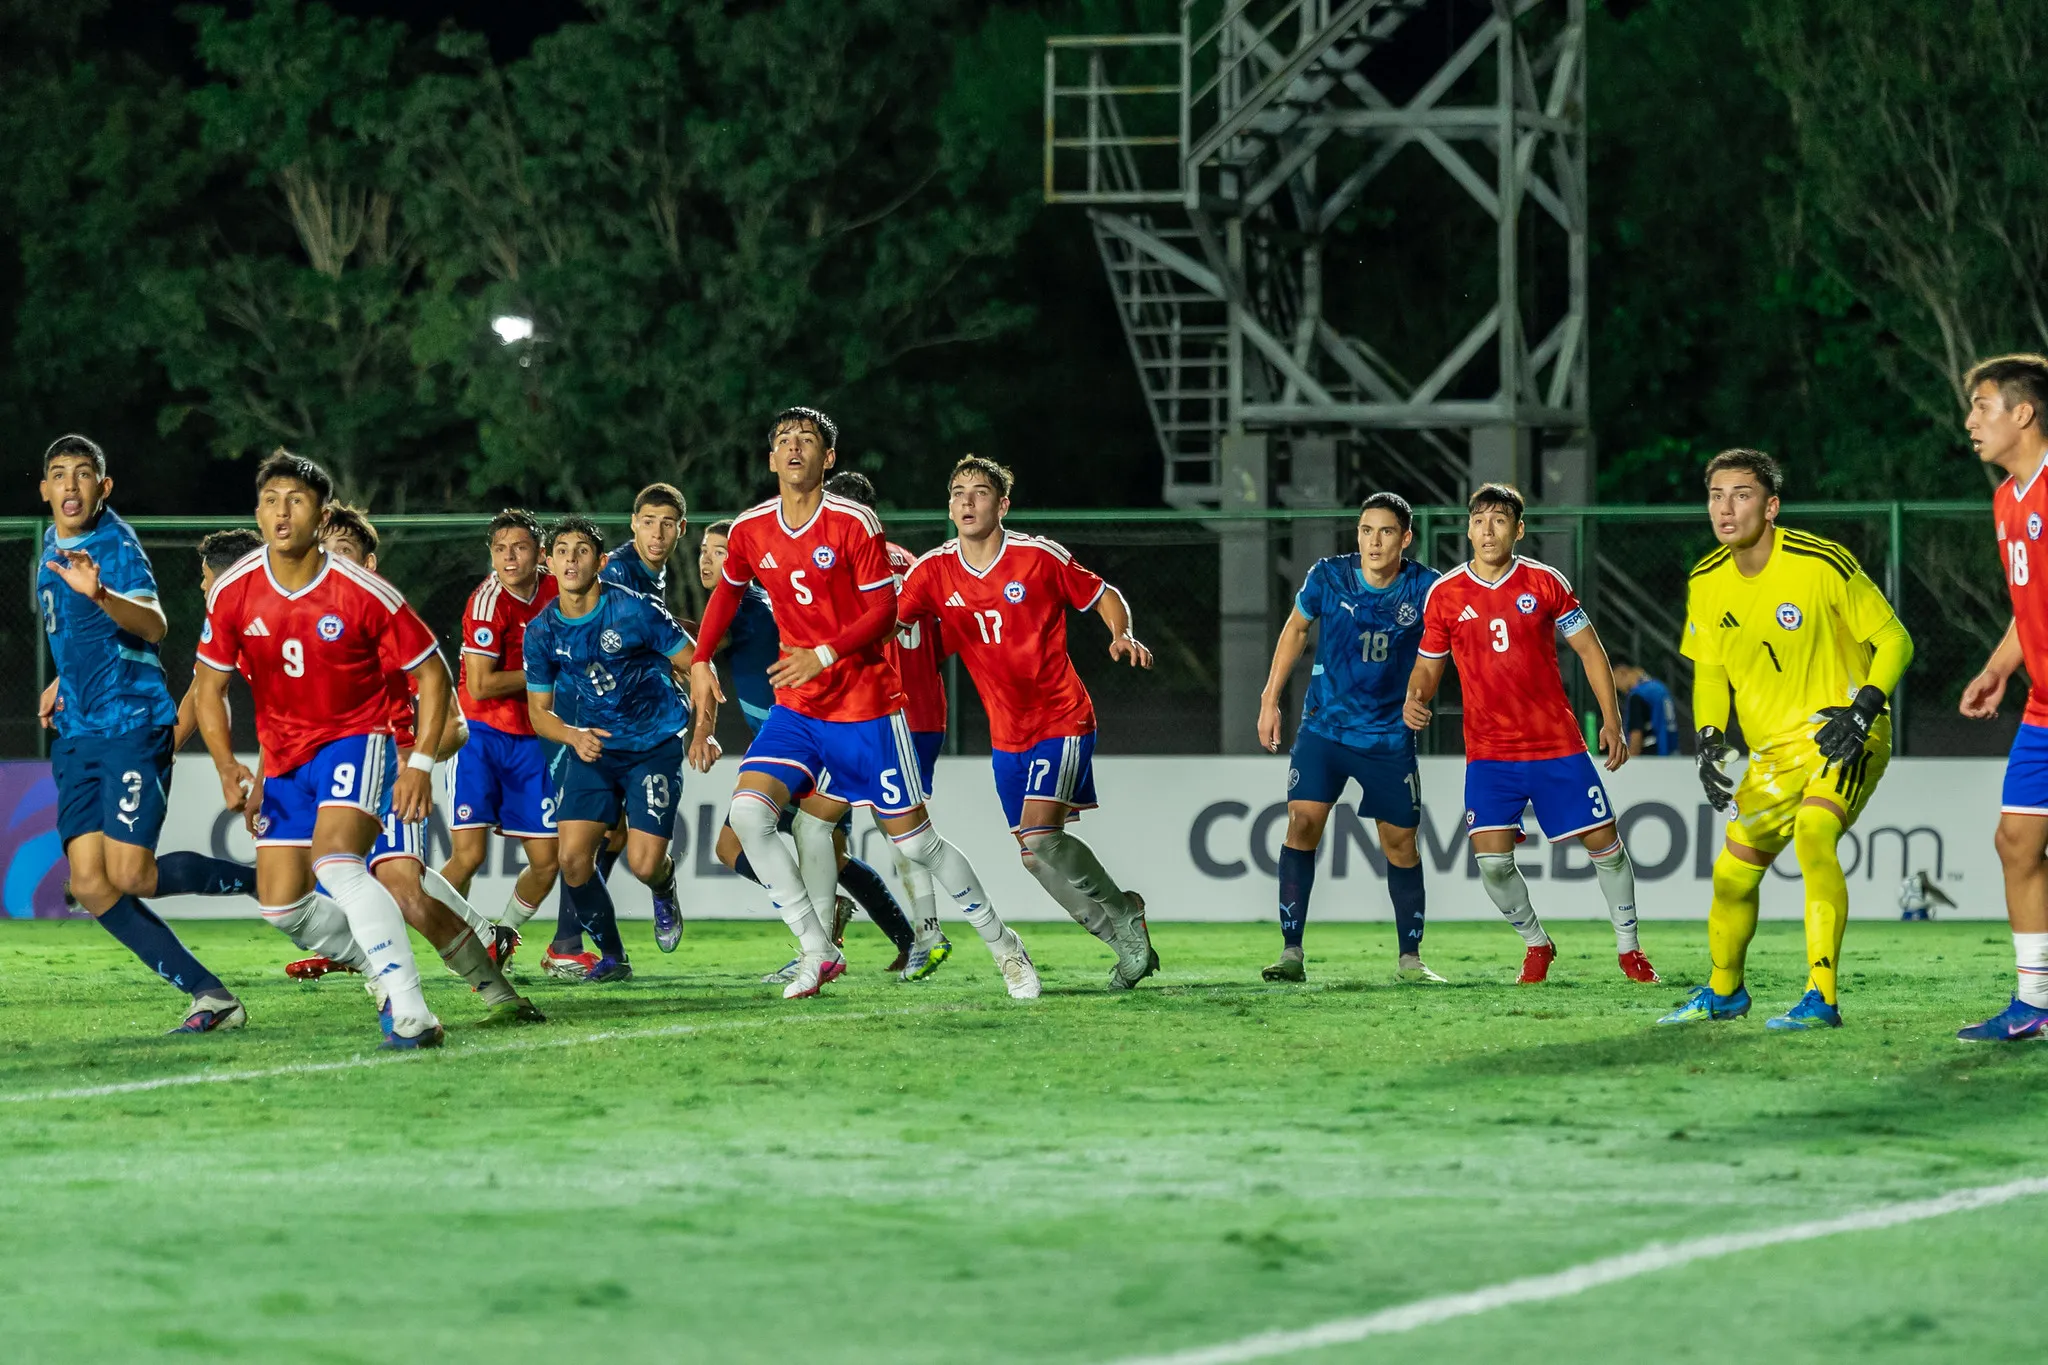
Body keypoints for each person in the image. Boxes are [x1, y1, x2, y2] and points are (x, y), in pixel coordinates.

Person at [689, 407, 1039, 1000]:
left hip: (867, 708)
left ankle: (1005, 946)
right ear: (771, 458)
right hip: (799, 708)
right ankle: (816, 948)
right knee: (751, 817)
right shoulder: (750, 529)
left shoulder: (854, 522)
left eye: (807, 441)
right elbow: (727, 590)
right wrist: (701, 659)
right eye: (783, 440)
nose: (793, 448)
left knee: (915, 843)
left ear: (828, 459)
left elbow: (883, 614)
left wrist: (822, 655)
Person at [192, 449, 450, 1048]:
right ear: (258, 512)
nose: (282, 514)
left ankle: (411, 1010)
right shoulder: (233, 591)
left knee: (337, 863)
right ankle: (379, 965)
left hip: (355, 739)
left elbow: (432, 674)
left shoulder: (363, 591)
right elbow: (209, 688)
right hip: (282, 760)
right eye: (271, 502)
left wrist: (419, 764)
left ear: (321, 514)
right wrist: (229, 765)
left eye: (297, 502)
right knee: (282, 907)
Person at [1659, 449, 1912, 1031]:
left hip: (1843, 732)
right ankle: (1725, 993)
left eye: (1741, 494)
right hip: (1773, 753)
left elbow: (1896, 641)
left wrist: (1863, 710)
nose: (1725, 507)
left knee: (1814, 832)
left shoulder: (1821, 562)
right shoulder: (1705, 580)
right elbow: (1711, 672)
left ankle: (1821, 996)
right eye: (1716, 495)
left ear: (1771, 506)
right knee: (1731, 874)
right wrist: (1707, 739)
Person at [897, 454, 1157, 988]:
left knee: (1041, 836)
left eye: (980, 492)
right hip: (1006, 735)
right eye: (958, 492)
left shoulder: (1037, 557)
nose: (967, 501)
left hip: (1060, 717)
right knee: (1034, 858)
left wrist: (1120, 633)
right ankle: (1123, 945)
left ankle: (1126, 908)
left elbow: (1103, 594)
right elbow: (886, 624)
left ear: (1003, 504)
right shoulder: (932, 571)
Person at [1404, 483, 1659, 986]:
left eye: (1499, 520)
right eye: (1479, 520)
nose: (1487, 529)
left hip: (1556, 745)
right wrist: (1416, 698)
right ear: (1469, 529)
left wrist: (1612, 720)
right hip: (1490, 754)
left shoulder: (1545, 583)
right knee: (1493, 864)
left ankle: (1630, 951)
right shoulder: (1446, 594)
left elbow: (1589, 651)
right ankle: (1537, 944)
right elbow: (1427, 668)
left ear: (1518, 530)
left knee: (1605, 844)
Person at [36, 434, 246, 1033]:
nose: (70, 485)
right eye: (59, 474)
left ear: (103, 488)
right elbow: (74, 634)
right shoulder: (51, 543)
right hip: (79, 729)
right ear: (44, 489)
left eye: (83, 475)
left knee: (132, 876)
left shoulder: (114, 544)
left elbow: (153, 625)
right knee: (91, 884)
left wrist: (100, 592)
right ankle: (213, 996)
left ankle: (279, 882)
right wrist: (63, 681)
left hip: (130, 722)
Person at [318, 507, 541, 1023]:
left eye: (345, 552)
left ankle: (494, 992)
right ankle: (427, 957)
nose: (332, 562)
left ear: (369, 564)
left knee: (405, 890)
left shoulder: (389, 624)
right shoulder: (304, 626)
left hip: (387, 774)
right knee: (288, 893)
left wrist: (413, 761)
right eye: (324, 551)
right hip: (324, 775)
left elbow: (456, 724)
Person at [1256, 492, 1442, 985]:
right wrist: (1270, 697)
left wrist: (1420, 696)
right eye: (1365, 530)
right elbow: (1296, 630)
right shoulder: (1328, 576)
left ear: (1405, 538)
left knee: (1399, 843)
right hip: (1324, 729)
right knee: (1301, 825)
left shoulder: (1426, 589)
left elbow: (1441, 650)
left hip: (1387, 738)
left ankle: (1410, 960)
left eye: (1384, 532)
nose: (1372, 541)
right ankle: (1291, 952)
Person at [523, 515, 692, 983]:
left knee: (643, 863)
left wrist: (703, 733)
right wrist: (573, 735)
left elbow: (696, 662)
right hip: (594, 746)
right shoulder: (540, 632)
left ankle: (664, 882)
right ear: (548, 561)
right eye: (561, 550)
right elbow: (540, 712)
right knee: (572, 859)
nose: (570, 559)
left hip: (653, 746)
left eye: (581, 551)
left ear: (600, 561)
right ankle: (614, 957)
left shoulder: (634, 610)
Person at [437, 509, 578, 977]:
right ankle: (432, 942)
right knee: (468, 856)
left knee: (547, 861)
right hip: (480, 738)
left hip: (535, 740)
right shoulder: (486, 603)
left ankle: (504, 936)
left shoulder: (560, 587)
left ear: (540, 553)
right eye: (500, 549)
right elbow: (479, 685)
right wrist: (549, 674)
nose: (508, 557)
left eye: (518, 547)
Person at [1957, 355, 2048, 1040]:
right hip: (2042, 706)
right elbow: (2029, 607)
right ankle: (2035, 1003)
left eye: (1983, 405)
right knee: (2015, 841)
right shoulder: (2006, 500)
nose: (1970, 420)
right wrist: (1997, 668)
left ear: (2024, 413)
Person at [1611, 660, 1678, 756]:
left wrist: (1631, 760)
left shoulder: (1638, 696)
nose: (1617, 688)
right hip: (1671, 751)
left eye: (1614, 680)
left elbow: (1636, 733)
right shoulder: (1660, 688)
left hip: (1652, 756)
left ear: (1622, 672)